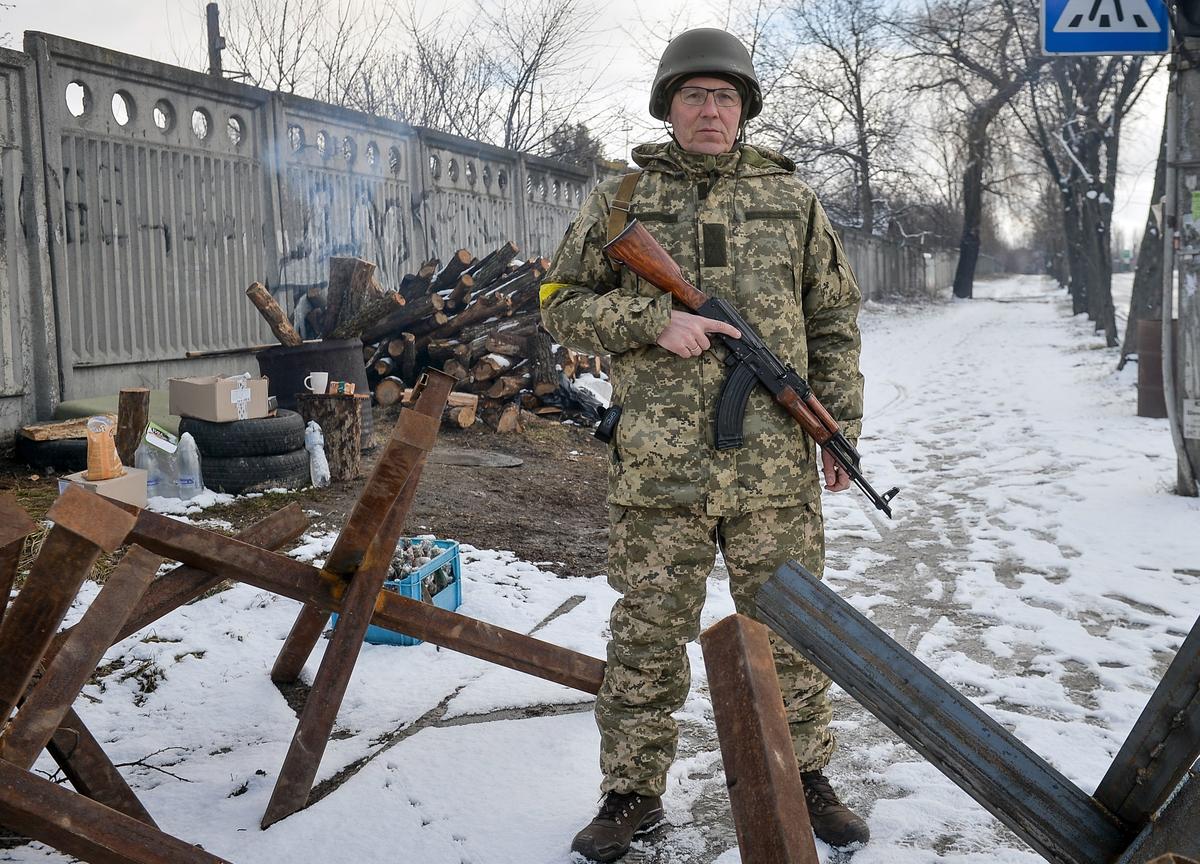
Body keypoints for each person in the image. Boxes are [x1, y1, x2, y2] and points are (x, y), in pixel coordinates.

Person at [539, 27, 869, 863]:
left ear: (745, 109)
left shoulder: (793, 202)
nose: (711, 110)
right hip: (660, 469)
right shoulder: (621, 200)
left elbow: (833, 322)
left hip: (772, 470)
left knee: (794, 633)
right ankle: (631, 794)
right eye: (696, 95)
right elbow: (558, 302)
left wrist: (842, 432)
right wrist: (657, 319)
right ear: (669, 105)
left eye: (726, 97)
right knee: (647, 635)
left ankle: (808, 779)